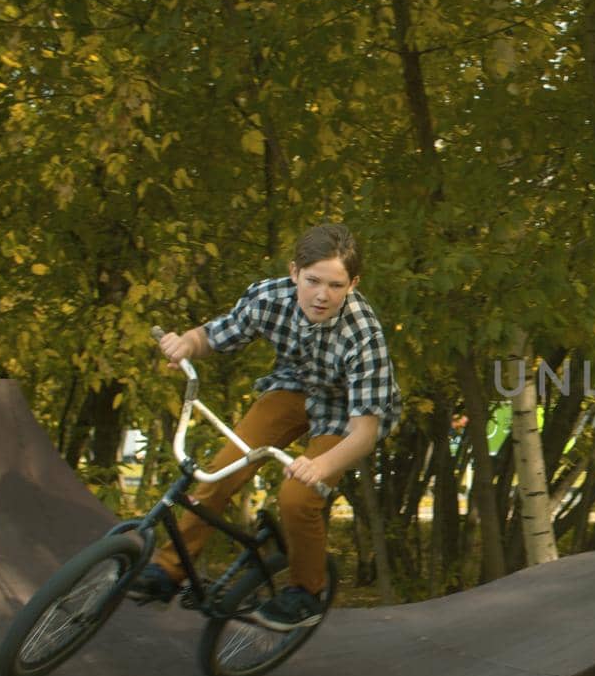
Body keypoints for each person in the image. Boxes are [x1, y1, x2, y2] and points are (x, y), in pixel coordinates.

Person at [127, 223, 401, 631]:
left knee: (297, 496)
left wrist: (320, 468)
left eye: (335, 285)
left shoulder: (364, 334)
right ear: (294, 273)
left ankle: (307, 593)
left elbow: (364, 433)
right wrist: (186, 342)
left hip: (346, 412)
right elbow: (215, 335)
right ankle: (168, 570)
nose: (322, 295)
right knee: (219, 470)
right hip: (292, 388)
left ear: (353, 283)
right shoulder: (269, 297)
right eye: (312, 282)